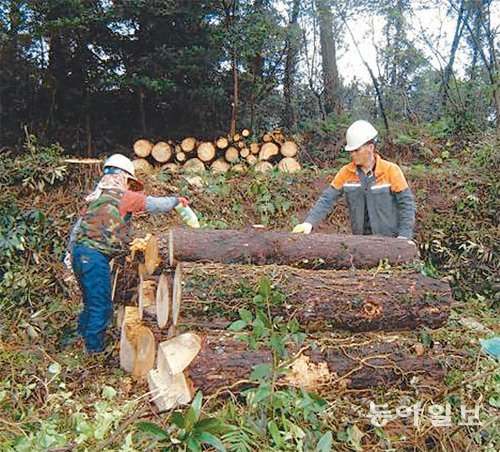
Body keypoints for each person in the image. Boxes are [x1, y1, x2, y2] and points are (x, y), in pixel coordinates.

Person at [64, 154, 196, 353]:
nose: (130, 188)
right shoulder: (123, 197)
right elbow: (152, 204)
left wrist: (70, 252)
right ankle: (93, 352)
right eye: (129, 183)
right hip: (94, 257)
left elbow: (77, 228)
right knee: (102, 307)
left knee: (90, 302)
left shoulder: (95, 198)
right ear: (123, 178)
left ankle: (79, 338)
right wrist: (176, 201)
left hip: (79, 254)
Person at [292, 120, 415, 239]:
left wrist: (404, 235)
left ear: (371, 147)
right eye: (351, 151)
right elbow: (327, 199)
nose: (352, 154)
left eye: (357, 150)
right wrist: (309, 223)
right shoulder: (346, 173)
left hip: (390, 240)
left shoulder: (391, 171)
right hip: (360, 240)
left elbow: (406, 205)